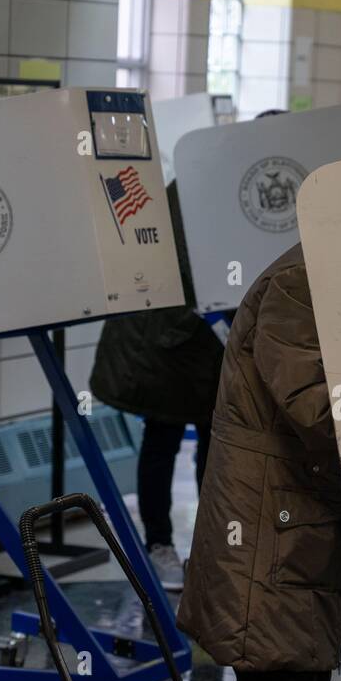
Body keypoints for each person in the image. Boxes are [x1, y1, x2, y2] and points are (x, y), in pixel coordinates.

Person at [178, 243, 341, 681]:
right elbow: (317, 405)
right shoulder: (300, 280)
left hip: (294, 522)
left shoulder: (326, 272)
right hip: (267, 529)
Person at [90, 183, 225, 591]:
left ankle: (213, 546)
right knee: (165, 435)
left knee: (215, 440)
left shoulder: (214, 179)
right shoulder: (197, 183)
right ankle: (159, 545)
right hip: (165, 334)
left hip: (203, 336)